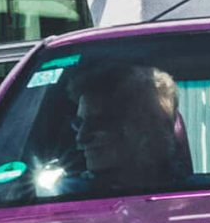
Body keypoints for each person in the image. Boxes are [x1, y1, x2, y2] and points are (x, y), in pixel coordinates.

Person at [56, 61, 187, 196]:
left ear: (147, 127)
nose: (81, 138)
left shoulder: (190, 196)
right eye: (79, 123)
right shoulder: (65, 196)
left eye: (99, 122)